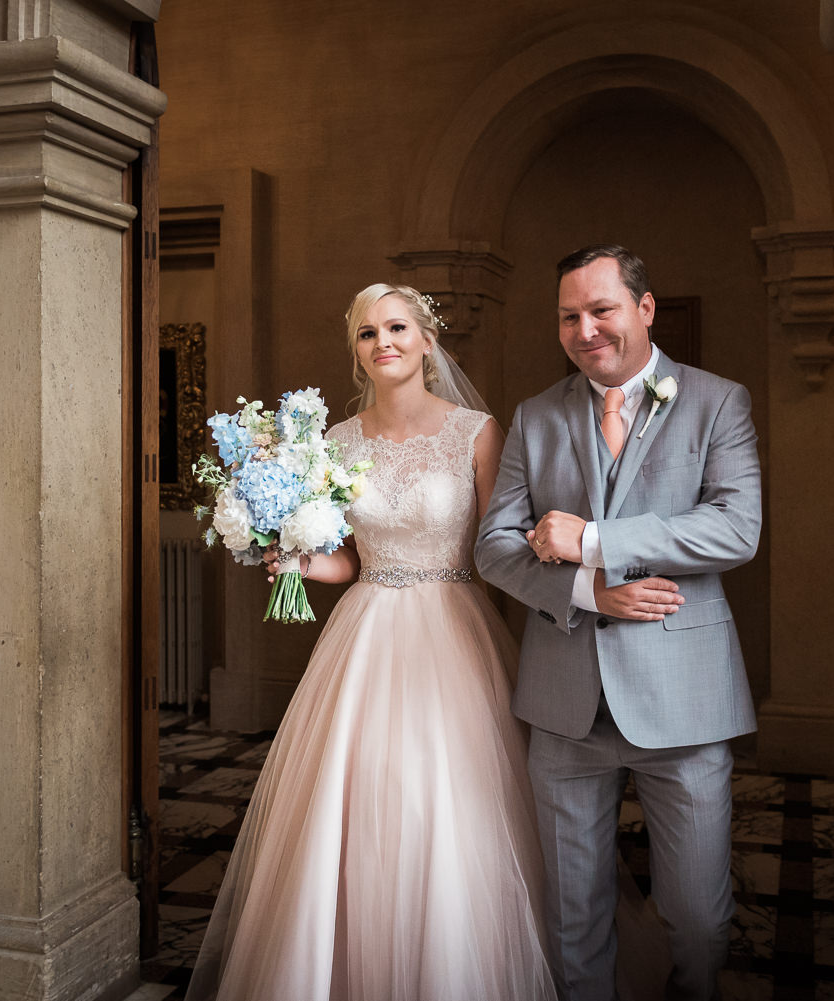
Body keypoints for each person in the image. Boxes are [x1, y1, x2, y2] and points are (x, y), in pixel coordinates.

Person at [184, 284, 558, 1001]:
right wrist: (293, 556)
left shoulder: (476, 432)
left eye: (395, 327)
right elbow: (347, 559)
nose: (382, 341)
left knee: (449, 799)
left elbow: (501, 550)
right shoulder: (336, 442)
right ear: (355, 350)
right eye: (366, 333)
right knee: (353, 801)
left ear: (426, 339)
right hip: (364, 629)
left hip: (453, 630)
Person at [475, 245, 762, 1001]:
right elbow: (494, 549)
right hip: (565, 706)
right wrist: (586, 591)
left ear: (644, 308)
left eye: (600, 309)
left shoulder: (715, 401)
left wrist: (595, 541)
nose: (585, 328)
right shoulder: (536, 416)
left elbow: (737, 528)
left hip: (684, 703)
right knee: (573, 916)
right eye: (569, 315)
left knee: (698, 918)